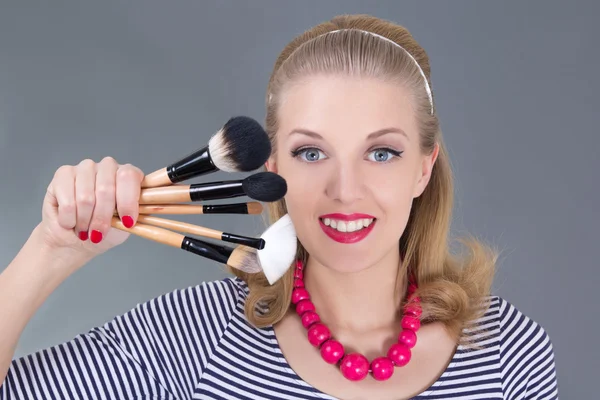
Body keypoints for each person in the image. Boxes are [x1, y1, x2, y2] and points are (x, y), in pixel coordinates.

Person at [0, 14, 558, 400]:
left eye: (381, 152)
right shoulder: (193, 335)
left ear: (423, 168)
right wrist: (50, 251)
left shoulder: (511, 352)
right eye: (311, 152)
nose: (346, 189)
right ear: (272, 171)